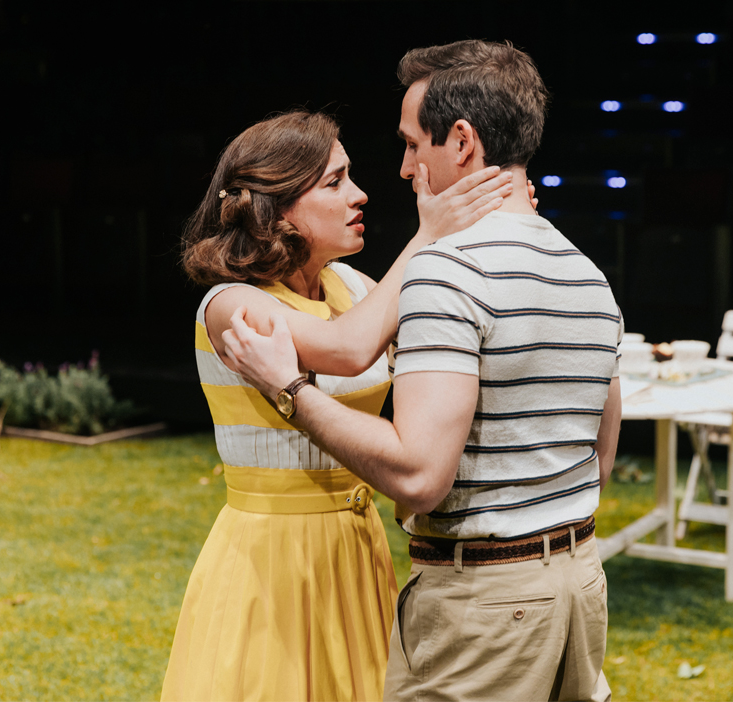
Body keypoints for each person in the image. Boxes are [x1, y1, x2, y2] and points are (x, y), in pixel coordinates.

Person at [223, 41, 622, 702]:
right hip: (579, 584)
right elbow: (599, 460)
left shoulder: (446, 272)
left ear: (461, 141)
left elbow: (418, 476)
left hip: (485, 603)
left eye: (413, 144)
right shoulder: (587, 274)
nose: (405, 168)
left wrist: (290, 390)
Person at [160, 109, 517, 702]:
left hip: (356, 548)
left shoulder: (354, 287)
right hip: (274, 558)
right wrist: (426, 237)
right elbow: (347, 351)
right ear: (277, 210)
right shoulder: (231, 306)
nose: (359, 194)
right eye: (334, 181)